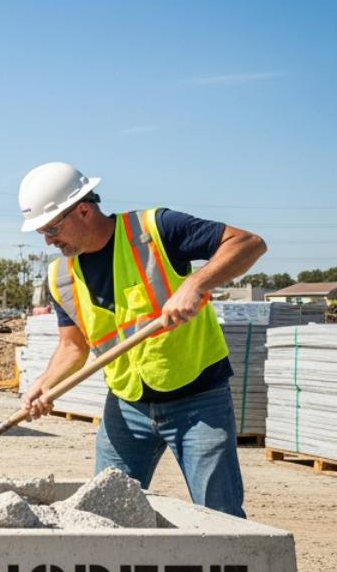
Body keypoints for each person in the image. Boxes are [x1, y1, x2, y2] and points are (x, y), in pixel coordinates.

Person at [17, 162, 266, 517]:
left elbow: (249, 244)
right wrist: (44, 383)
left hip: (198, 399)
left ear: (83, 210)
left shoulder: (155, 229)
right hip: (126, 405)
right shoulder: (61, 276)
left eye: (52, 228)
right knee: (102, 513)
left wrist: (194, 285)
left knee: (220, 514)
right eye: (42, 232)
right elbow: (73, 346)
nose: (48, 240)